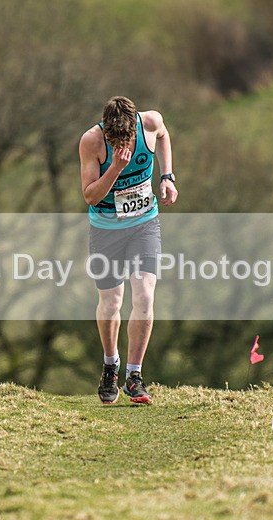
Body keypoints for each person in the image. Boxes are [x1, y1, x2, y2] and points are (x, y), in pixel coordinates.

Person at [79, 96, 178, 405]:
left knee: (145, 295)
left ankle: (134, 376)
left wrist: (167, 176)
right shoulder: (91, 141)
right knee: (111, 303)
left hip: (144, 225)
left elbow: (163, 135)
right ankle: (110, 366)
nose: (122, 145)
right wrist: (115, 169)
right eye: (115, 141)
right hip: (106, 230)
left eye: (127, 141)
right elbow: (90, 196)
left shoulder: (150, 122)